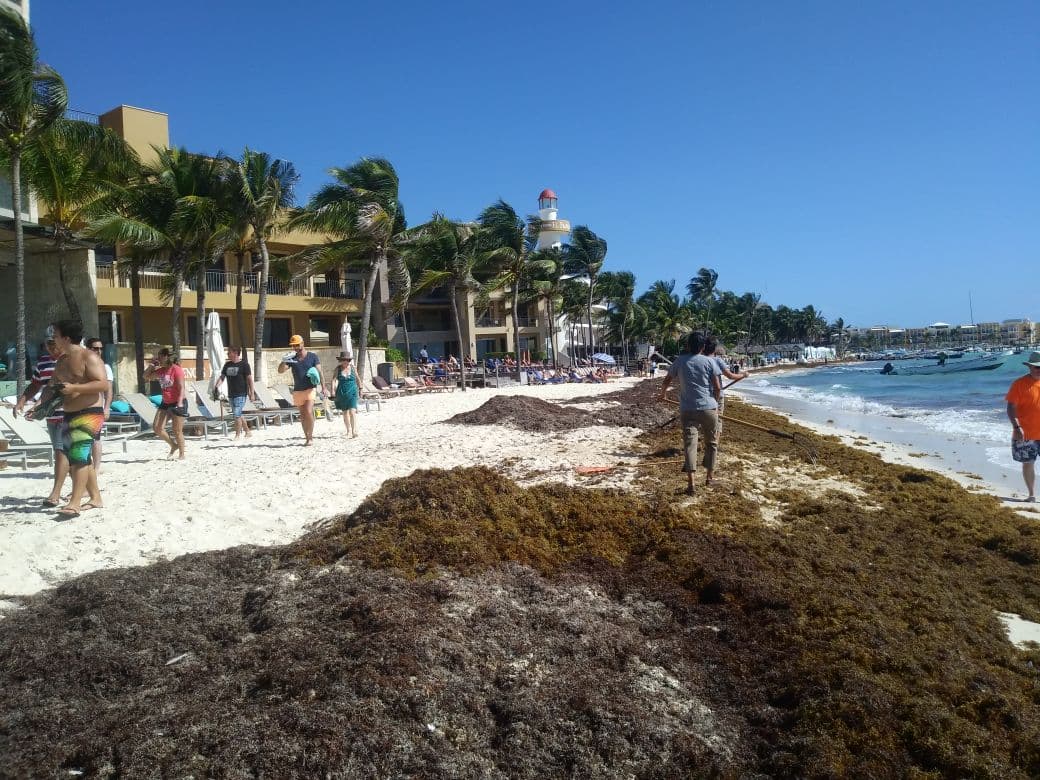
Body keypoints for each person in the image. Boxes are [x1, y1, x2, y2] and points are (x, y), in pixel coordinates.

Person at [49, 320, 109, 516]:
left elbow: (103, 384)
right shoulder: (61, 361)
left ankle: (74, 503)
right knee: (82, 457)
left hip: (90, 413)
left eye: (56, 335)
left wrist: (75, 388)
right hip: (69, 414)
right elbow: (53, 387)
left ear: (66, 338)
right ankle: (96, 498)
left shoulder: (88, 356)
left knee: (78, 457)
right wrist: (39, 407)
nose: (53, 339)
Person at [661, 332, 722, 496]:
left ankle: (691, 484)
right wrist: (715, 404)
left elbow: (666, 380)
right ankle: (709, 478)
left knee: (690, 445)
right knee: (712, 443)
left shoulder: (680, 361)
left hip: (688, 409)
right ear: (703, 347)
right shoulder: (709, 361)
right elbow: (717, 388)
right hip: (709, 408)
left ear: (688, 345)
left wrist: (663, 394)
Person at [13, 337, 68, 507]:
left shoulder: (70, 359)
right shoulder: (44, 362)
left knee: (61, 451)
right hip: (51, 414)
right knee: (64, 451)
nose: (51, 348)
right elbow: (36, 385)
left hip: (70, 412)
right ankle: (87, 489)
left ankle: (56, 493)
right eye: (48, 345)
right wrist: (22, 401)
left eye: (54, 344)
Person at [1006, 350, 1040, 503]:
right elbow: (1010, 407)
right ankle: (1031, 494)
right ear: (1030, 367)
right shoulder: (1019, 384)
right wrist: (1016, 427)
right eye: (1036, 367)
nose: (1039, 370)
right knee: (1028, 463)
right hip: (1025, 433)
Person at [277, 334, 323, 445]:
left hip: (310, 389)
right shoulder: (292, 358)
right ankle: (307, 437)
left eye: (297, 345)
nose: (295, 347)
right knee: (302, 416)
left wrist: (324, 387)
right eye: (293, 345)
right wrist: (284, 360)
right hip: (298, 390)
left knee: (308, 411)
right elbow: (280, 371)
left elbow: (320, 372)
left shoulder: (312, 356)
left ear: (302, 343)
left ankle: (310, 437)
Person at [144, 347, 188, 460]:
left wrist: (179, 404)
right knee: (157, 428)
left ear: (166, 357)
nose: (158, 358)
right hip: (165, 403)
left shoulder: (176, 369)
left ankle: (182, 454)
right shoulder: (161, 370)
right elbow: (146, 376)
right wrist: (152, 365)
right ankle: (173, 445)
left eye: (160, 356)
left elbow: (182, 388)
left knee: (177, 430)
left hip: (178, 402)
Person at [84, 337, 114, 473]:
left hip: (96, 407)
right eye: (95, 348)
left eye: (101, 349)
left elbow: (109, 390)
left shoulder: (105, 367)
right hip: (80, 406)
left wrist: (107, 408)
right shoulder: (82, 366)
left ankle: (96, 468)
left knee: (95, 438)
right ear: (88, 349)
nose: (99, 351)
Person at [216, 346, 257, 440]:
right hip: (231, 394)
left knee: (236, 414)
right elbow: (222, 377)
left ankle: (237, 435)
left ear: (235, 353)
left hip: (241, 393)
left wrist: (252, 393)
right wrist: (216, 386)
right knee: (238, 414)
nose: (227, 354)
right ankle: (248, 431)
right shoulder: (227, 365)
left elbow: (250, 379)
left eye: (229, 352)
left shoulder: (244, 365)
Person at [330, 352, 360, 437]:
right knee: (345, 412)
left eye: (346, 360)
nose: (344, 361)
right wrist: (332, 391)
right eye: (343, 360)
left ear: (349, 360)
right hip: (341, 392)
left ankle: (354, 431)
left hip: (353, 392)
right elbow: (333, 380)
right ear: (341, 360)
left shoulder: (353, 368)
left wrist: (361, 388)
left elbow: (357, 378)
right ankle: (348, 431)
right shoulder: (338, 369)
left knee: (352, 411)